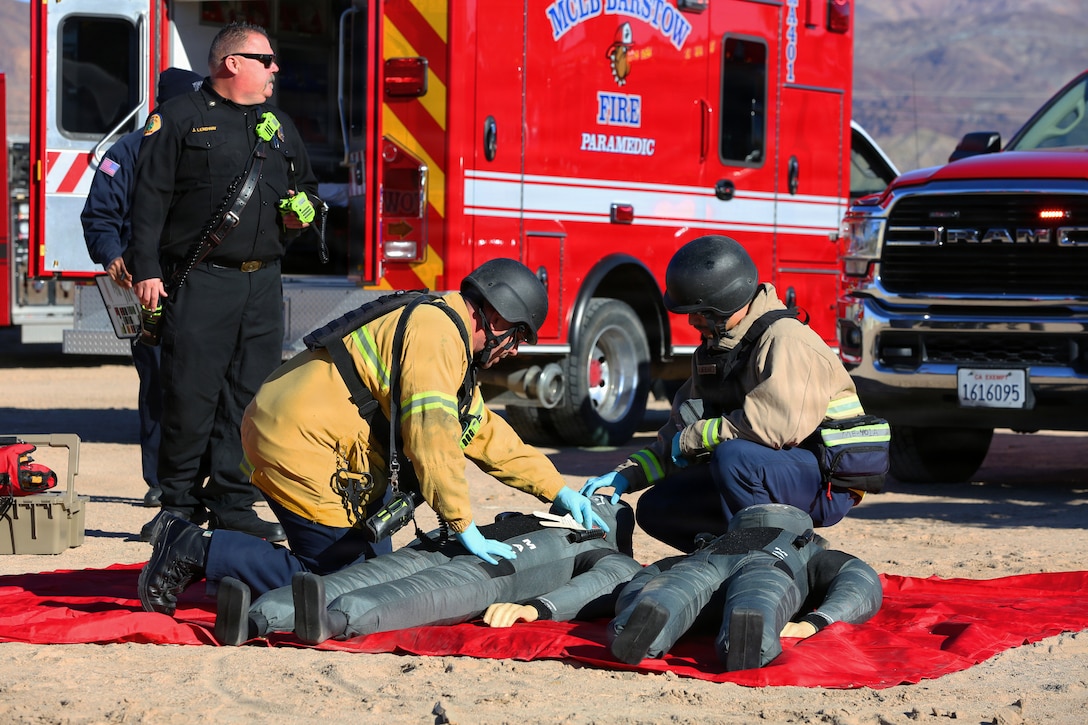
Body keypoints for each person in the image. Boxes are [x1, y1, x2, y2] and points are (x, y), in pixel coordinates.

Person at [138, 258, 610, 615]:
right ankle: (192, 547)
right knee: (339, 581)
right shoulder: (438, 335)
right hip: (302, 443)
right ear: (499, 317)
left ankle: (228, 573)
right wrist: (462, 523)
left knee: (372, 566)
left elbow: (481, 432)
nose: (515, 351)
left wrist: (558, 488)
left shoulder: (446, 334)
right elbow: (433, 437)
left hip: (298, 431)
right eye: (519, 337)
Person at [130, 22, 320, 542]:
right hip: (201, 282)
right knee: (190, 396)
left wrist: (305, 210)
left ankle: (234, 503)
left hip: (262, 285)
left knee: (249, 398)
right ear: (232, 63)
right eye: (266, 59)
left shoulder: (277, 125)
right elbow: (148, 201)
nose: (275, 68)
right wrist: (145, 268)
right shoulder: (178, 119)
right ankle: (179, 506)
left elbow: (306, 185)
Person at [582, 234, 874, 552]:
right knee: (658, 507)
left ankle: (776, 556)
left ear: (726, 301)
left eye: (700, 312)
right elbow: (676, 436)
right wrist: (624, 476)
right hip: (766, 468)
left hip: (824, 479)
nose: (693, 321)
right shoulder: (715, 352)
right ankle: (724, 554)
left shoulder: (786, 340)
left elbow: (774, 427)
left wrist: (694, 438)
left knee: (732, 457)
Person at [211, 496, 642, 646]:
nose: (590, 500)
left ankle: (330, 622)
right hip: (441, 549)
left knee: (404, 596)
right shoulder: (538, 516)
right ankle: (256, 619)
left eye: (603, 500)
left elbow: (604, 584)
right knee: (344, 581)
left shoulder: (609, 555)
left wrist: (538, 609)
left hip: (487, 577)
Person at [81, 68, 203, 510]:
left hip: (203, 287)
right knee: (158, 382)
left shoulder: (204, 144)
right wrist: (112, 254)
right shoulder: (128, 152)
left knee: (207, 384)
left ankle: (205, 480)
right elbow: (98, 215)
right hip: (147, 290)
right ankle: (160, 480)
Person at [608, 503, 883, 671]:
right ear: (807, 534)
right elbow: (861, 580)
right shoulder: (809, 550)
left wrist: (633, 603)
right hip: (773, 566)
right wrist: (815, 622)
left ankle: (643, 626)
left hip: (703, 564)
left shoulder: (712, 542)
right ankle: (750, 639)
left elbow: (650, 575)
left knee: (671, 591)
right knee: (758, 599)